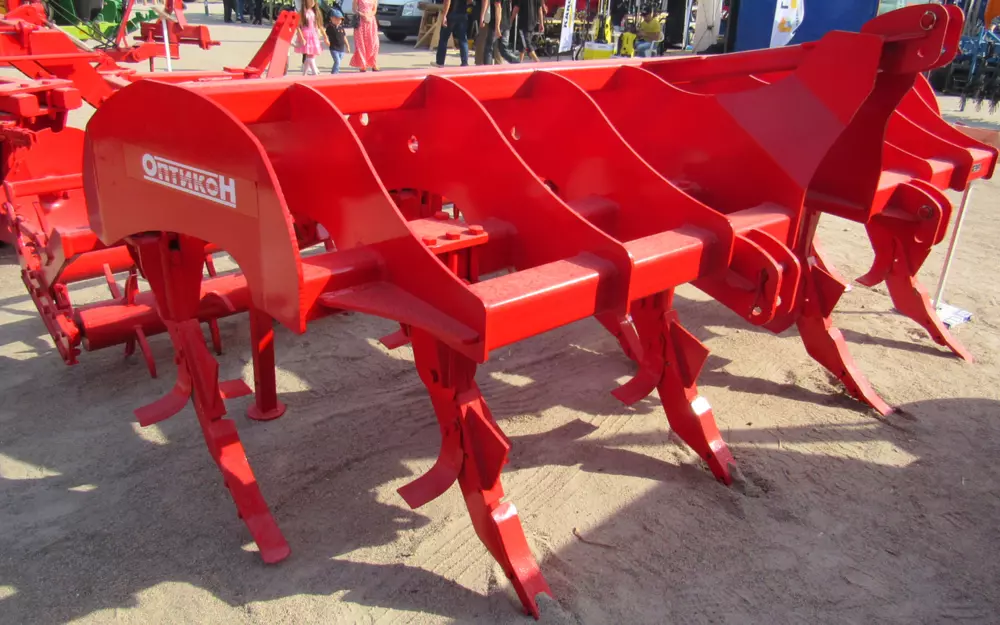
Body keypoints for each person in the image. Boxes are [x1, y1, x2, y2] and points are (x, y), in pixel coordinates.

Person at [296, 0, 329, 75]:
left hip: (314, 35)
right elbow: (297, 26)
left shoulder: (315, 12)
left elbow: (320, 26)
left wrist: (325, 37)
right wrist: (301, 37)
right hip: (306, 35)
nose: (312, 2)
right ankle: (314, 73)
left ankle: (304, 74)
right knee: (310, 55)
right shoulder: (302, 12)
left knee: (311, 55)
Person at [434, 0, 471, 66]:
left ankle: (440, 62)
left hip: (451, 13)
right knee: (463, 39)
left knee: (443, 39)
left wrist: (444, 15)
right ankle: (465, 62)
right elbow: (470, 1)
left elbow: (447, 1)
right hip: (462, 14)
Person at [351, 0, 381, 71]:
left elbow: (374, 10)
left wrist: (369, 16)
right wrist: (362, 15)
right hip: (361, 22)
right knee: (361, 43)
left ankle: (373, 63)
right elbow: (354, 9)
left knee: (374, 43)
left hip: (371, 22)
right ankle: (363, 64)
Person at [326, 8, 351, 73]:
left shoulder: (341, 28)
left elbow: (344, 37)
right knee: (337, 61)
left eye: (340, 19)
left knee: (338, 61)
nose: (338, 21)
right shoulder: (330, 27)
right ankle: (334, 73)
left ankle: (336, 71)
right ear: (331, 18)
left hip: (341, 49)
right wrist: (326, 40)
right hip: (334, 48)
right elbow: (326, 35)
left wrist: (347, 46)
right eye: (336, 19)